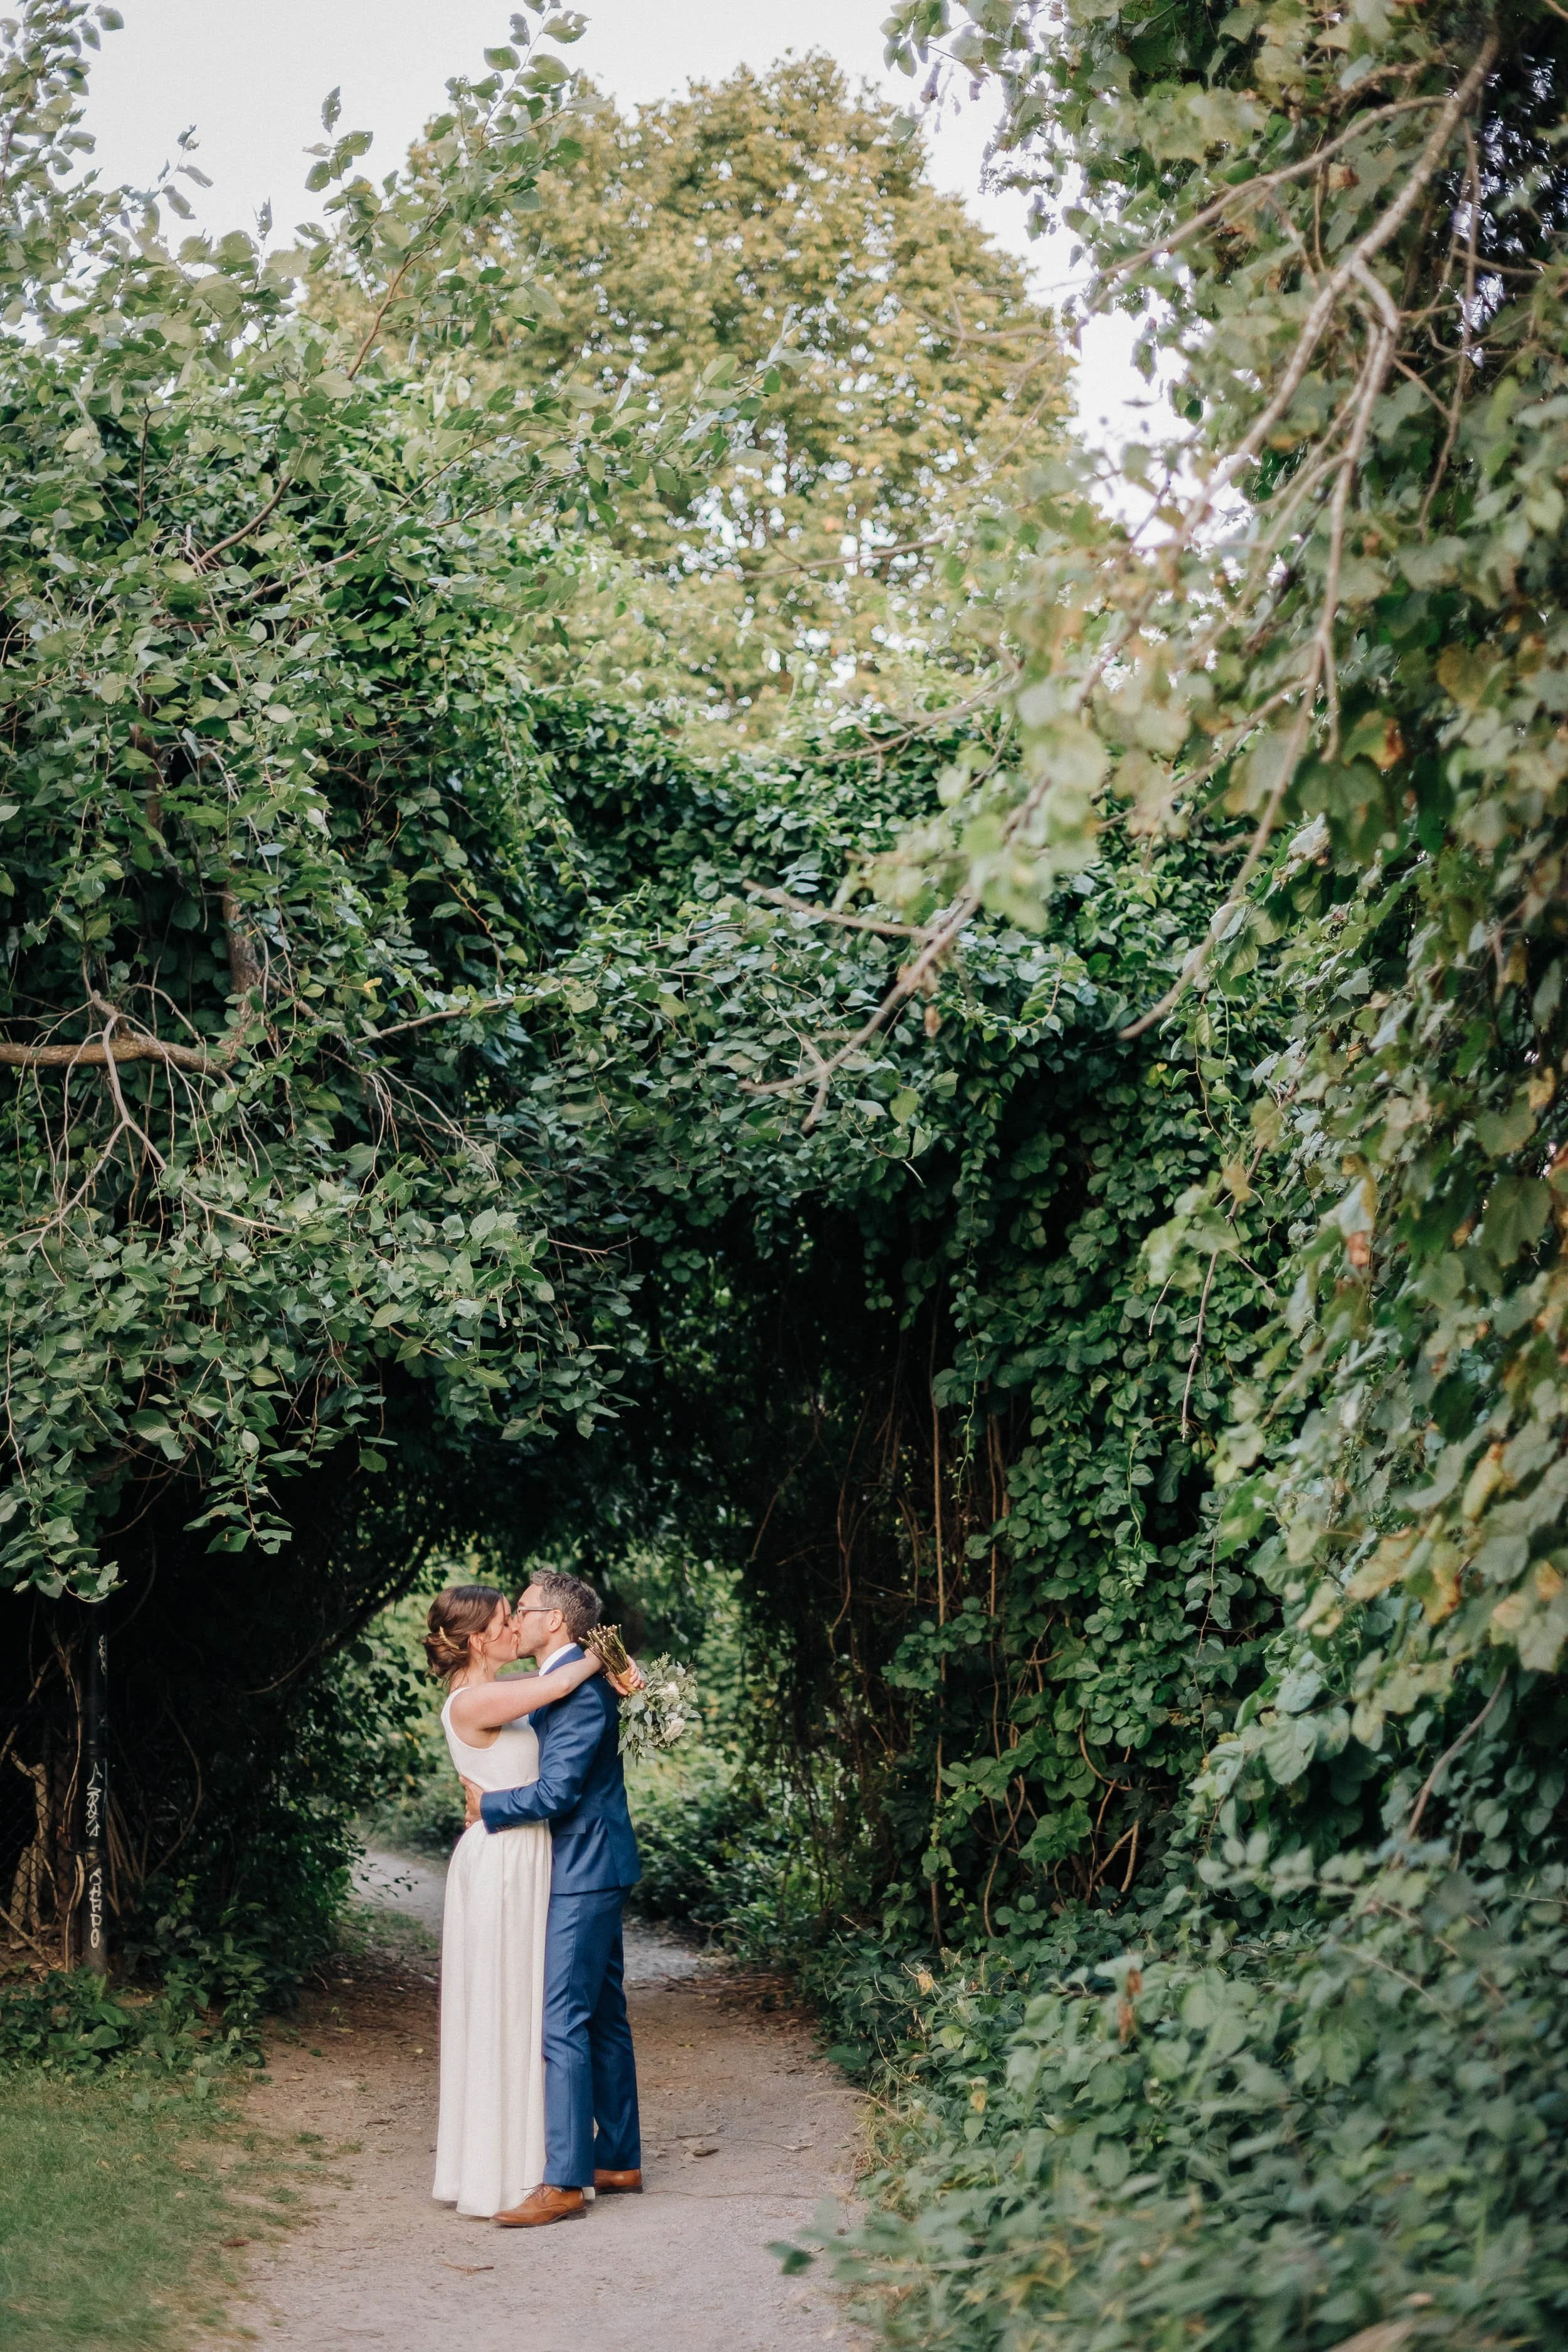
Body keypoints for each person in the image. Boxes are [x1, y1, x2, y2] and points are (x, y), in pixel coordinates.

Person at [425, 1582, 637, 2220]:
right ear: (481, 1639)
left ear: (555, 1621)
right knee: (574, 2012)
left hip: (564, 1858)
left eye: (522, 1611)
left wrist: (610, 1659)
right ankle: (595, 2162)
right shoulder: (508, 1692)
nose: (515, 1622)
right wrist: (607, 1657)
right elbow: (548, 1705)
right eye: (504, 1616)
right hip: (517, 1859)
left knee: (574, 2013)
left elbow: (558, 1788)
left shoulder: (559, 1682)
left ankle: (578, 2175)